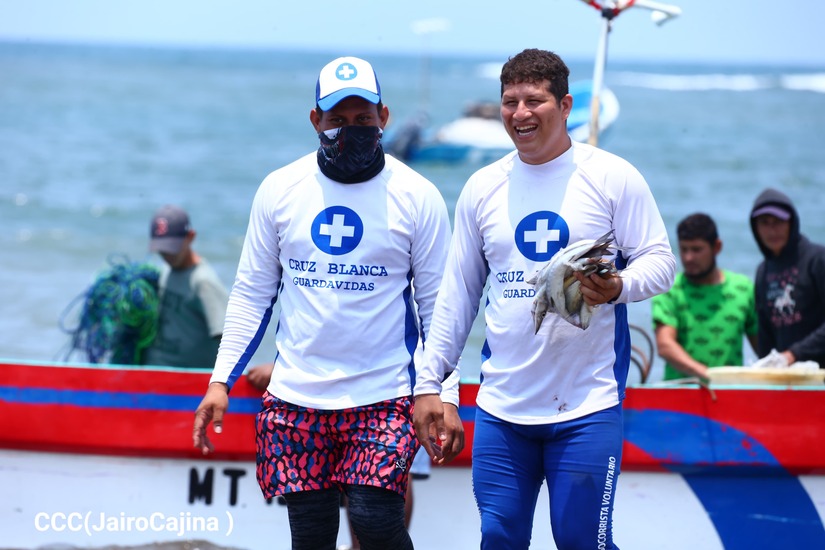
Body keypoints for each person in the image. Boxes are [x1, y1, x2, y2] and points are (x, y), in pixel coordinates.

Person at [192, 56, 463, 550]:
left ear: (384, 117)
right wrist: (220, 380)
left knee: (374, 519)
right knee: (311, 533)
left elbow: (438, 309)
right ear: (316, 120)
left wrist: (443, 393)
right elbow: (253, 295)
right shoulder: (280, 189)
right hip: (296, 396)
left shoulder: (416, 195)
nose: (351, 130)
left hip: (384, 394)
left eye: (363, 118)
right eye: (338, 119)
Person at [413, 48, 675, 550]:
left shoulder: (612, 176)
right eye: (510, 101)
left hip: (587, 406)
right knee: (498, 537)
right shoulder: (482, 187)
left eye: (534, 100)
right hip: (502, 408)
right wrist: (431, 385)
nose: (520, 113)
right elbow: (458, 296)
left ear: (566, 105)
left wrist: (618, 287)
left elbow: (660, 262)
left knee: (582, 541)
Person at [652, 213, 758, 381]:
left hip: (729, 390)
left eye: (696, 249)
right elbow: (665, 345)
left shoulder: (743, 288)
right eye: (684, 249)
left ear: (717, 247)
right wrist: (708, 375)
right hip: (679, 392)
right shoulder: (670, 290)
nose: (688, 258)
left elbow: (762, 347)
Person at [142, 204, 228, 368]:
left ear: (190, 237)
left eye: (172, 248)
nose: (167, 255)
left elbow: (228, 337)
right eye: (162, 250)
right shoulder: (166, 270)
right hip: (154, 370)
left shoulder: (203, 282)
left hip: (187, 377)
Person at [749, 187, 825, 368]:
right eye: (764, 223)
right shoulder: (763, 271)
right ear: (755, 228)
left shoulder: (817, 259)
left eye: (778, 221)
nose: (772, 230)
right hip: (787, 375)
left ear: (792, 222)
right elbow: (766, 335)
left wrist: (794, 354)